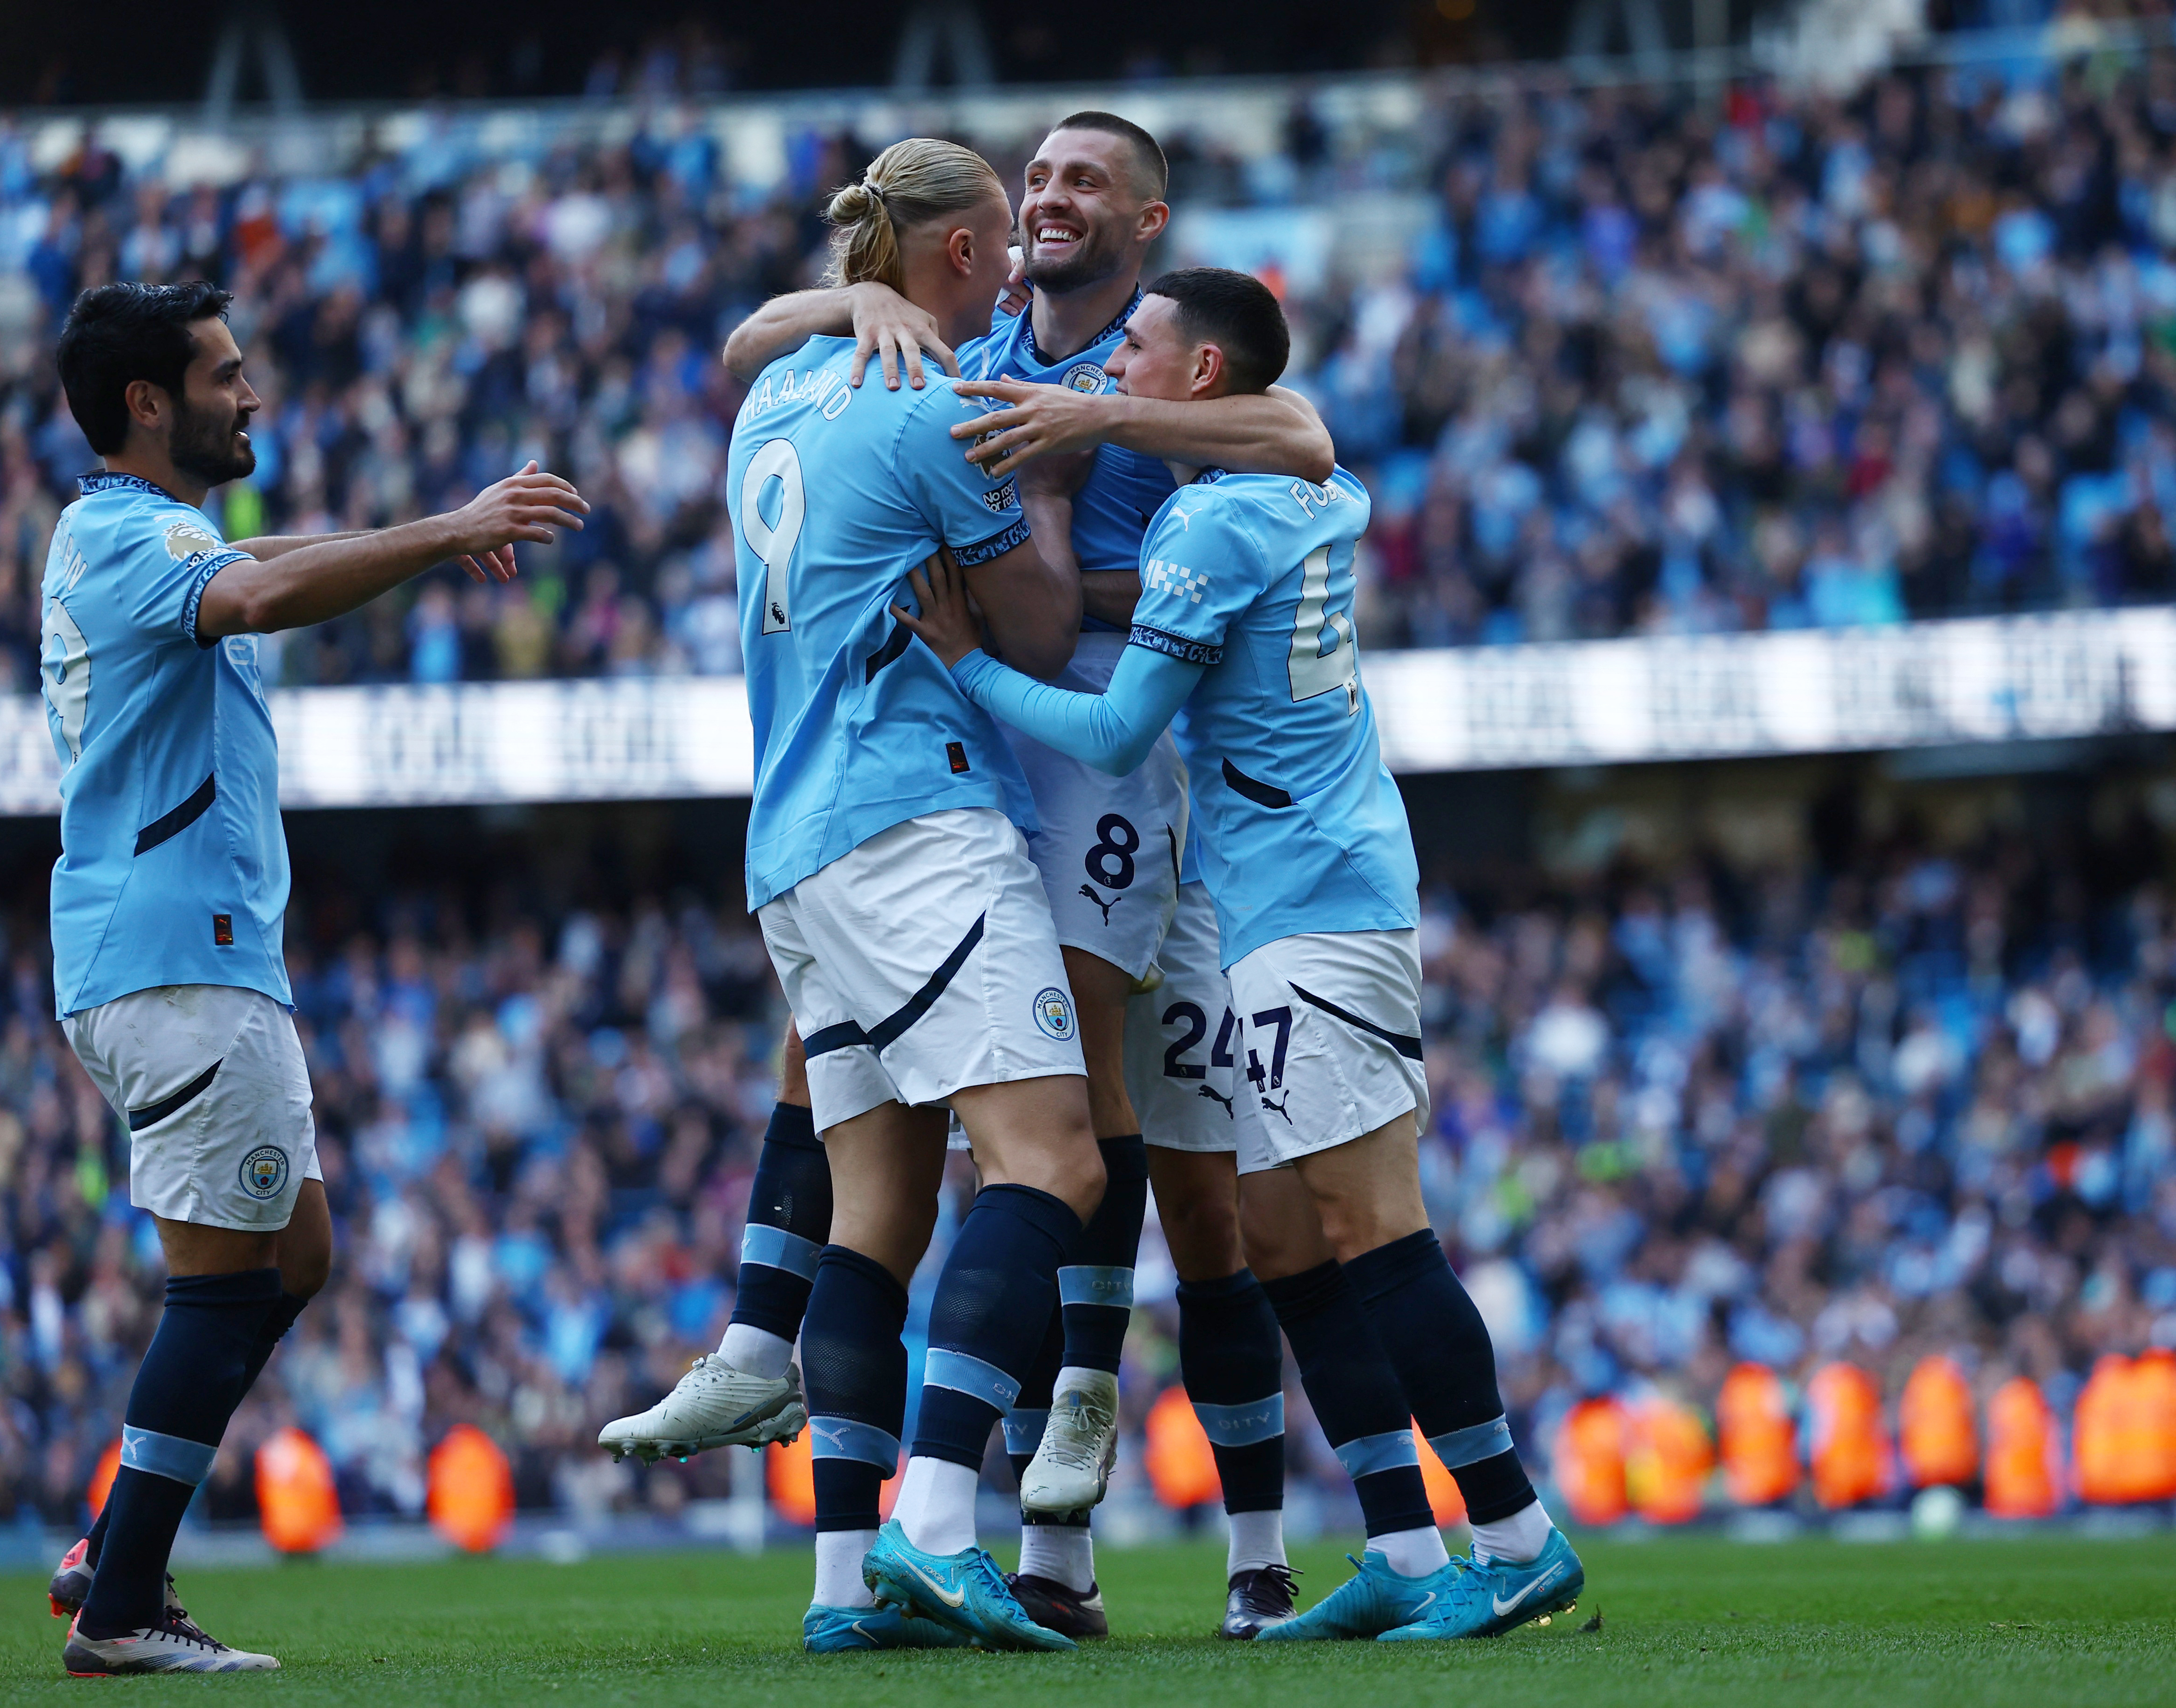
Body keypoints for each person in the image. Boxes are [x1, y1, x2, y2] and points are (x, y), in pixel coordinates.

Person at [605, 110, 1331, 1642]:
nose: (1047, 206)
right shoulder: (944, 351)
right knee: (1000, 1135)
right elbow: (771, 332)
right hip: (961, 770)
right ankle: (962, 1485)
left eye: (1078, 186)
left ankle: (1136, 1475)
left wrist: (1095, 444)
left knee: (1161, 1182)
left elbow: (1302, 444)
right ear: (967, 248)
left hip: (1100, 761)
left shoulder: (1154, 359)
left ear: (1143, 225)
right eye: (1030, 187)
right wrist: (852, 299)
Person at [894, 266, 1587, 1643]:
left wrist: (966, 653)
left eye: (1135, 350)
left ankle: (1513, 1538)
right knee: (1283, 1238)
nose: (1111, 371)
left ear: (1199, 374)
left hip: (1310, 908)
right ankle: (1399, 1548)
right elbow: (1274, 458)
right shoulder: (1304, 492)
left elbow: (1107, 733)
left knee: (1375, 1232)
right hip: (1298, 894)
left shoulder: (1210, 527)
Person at [37, 280, 585, 1675]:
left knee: (293, 1254)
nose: (253, 393)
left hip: (168, 959)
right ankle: (120, 1602)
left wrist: (430, 531)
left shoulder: (136, 532)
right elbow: (266, 587)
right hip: (180, 962)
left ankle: (117, 1545)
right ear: (149, 405)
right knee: (226, 1283)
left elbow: (269, 552)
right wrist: (453, 528)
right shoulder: (130, 536)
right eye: (225, 374)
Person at [710, 136, 1109, 1655]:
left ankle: (835, 1590)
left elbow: (762, 334)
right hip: (915, 820)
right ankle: (939, 1532)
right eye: (1002, 241)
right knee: (1051, 1162)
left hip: (793, 853)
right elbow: (1041, 624)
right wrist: (1050, 493)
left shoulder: (774, 395)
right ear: (955, 257)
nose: (1016, 266)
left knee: (871, 1218)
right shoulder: (939, 410)